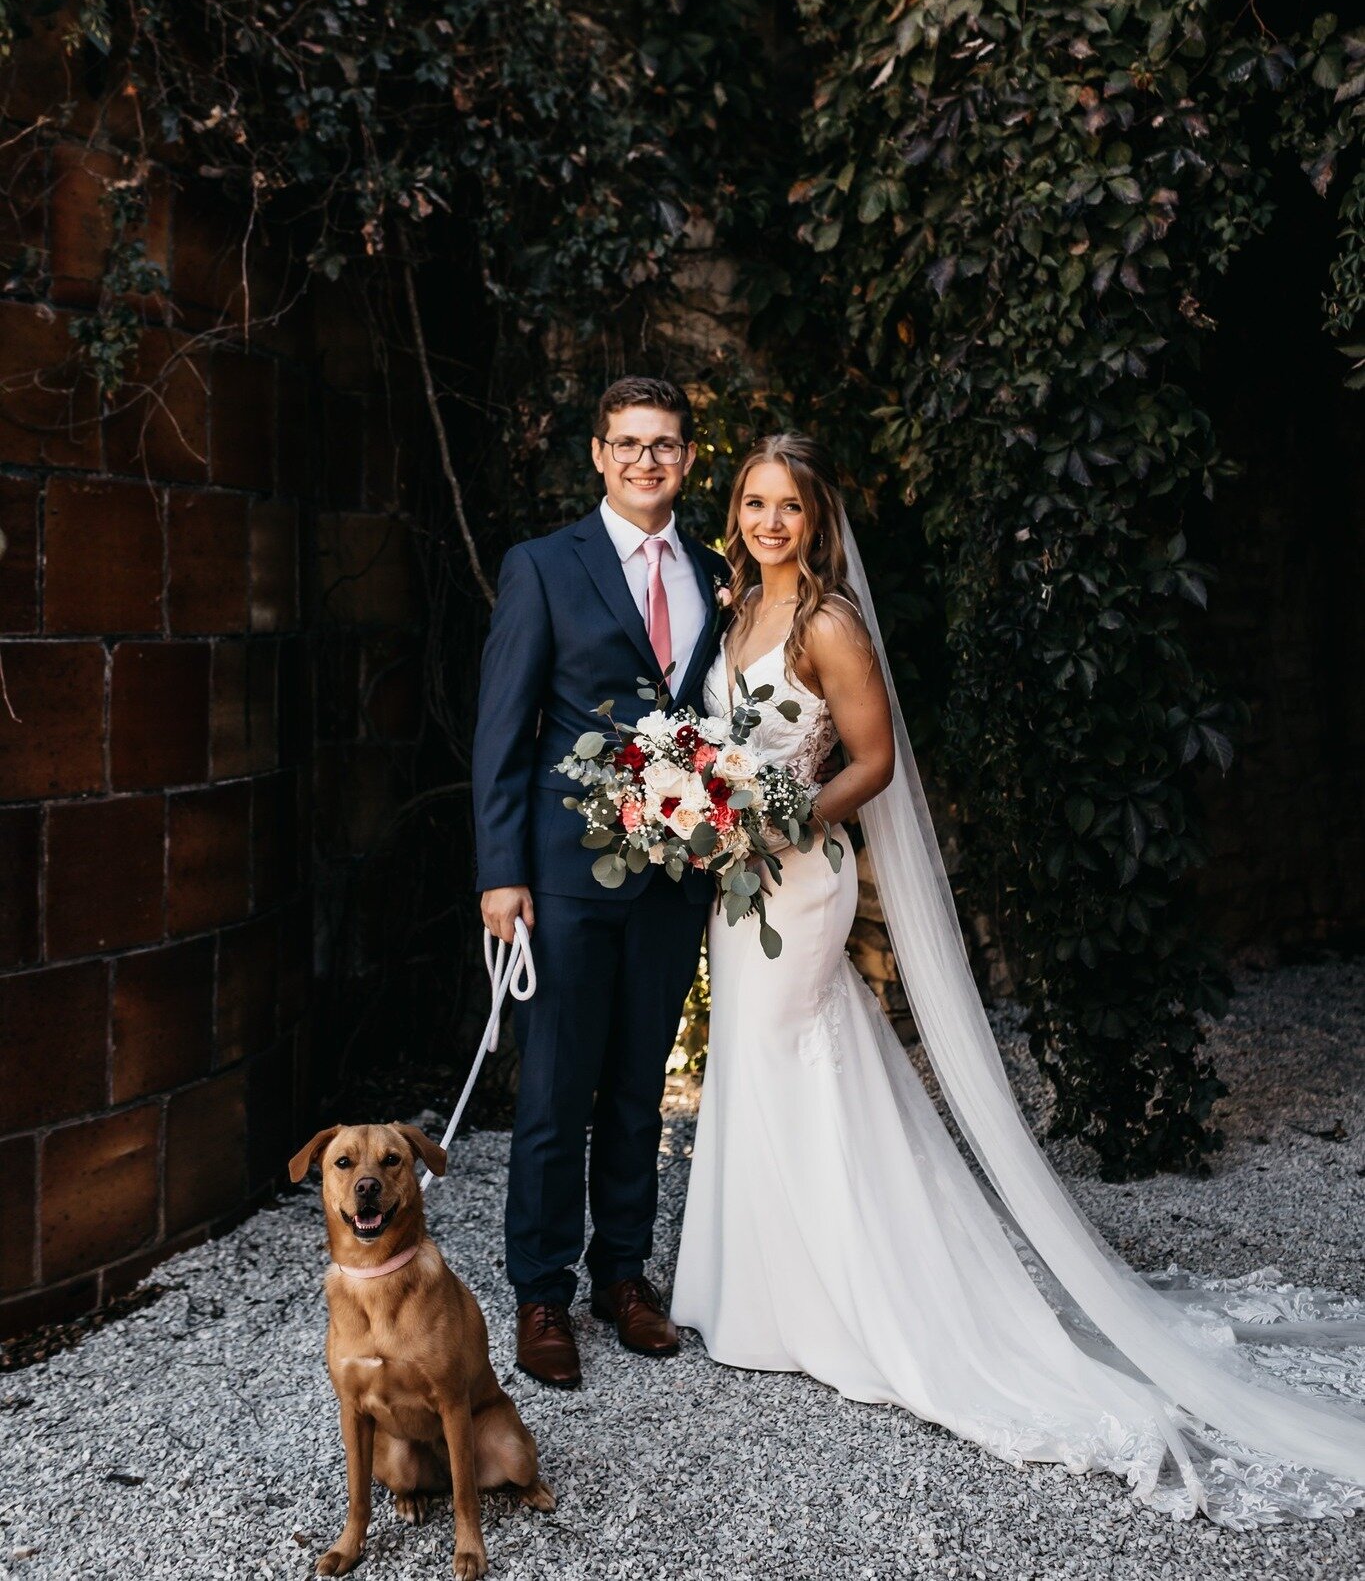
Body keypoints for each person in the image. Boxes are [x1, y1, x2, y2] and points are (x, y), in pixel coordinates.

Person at [670, 431, 1365, 1525]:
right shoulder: (734, 607)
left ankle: (847, 1303)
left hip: (802, 879)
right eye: (754, 503)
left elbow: (873, 760)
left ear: (818, 519)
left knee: (788, 1046)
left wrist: (788, 814)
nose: (769, 523)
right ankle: (756, 1293)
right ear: (738, 513)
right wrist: (704, 808)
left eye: (787, 507)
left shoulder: (827, 622)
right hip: (737, 882)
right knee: (762, 1063)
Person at [472, 376, 727, 1390]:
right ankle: (542, 1291)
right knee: (555, 1088)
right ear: (596, 453)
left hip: (673, 874)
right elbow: (505, 725)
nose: (645, 460)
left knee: (638, 1087)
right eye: (628, 443)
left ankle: (623, 1275)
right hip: (565, 875)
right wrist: (501, 873)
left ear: (689, 460)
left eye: (664, 445)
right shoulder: (542, 566)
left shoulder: (715, 570)